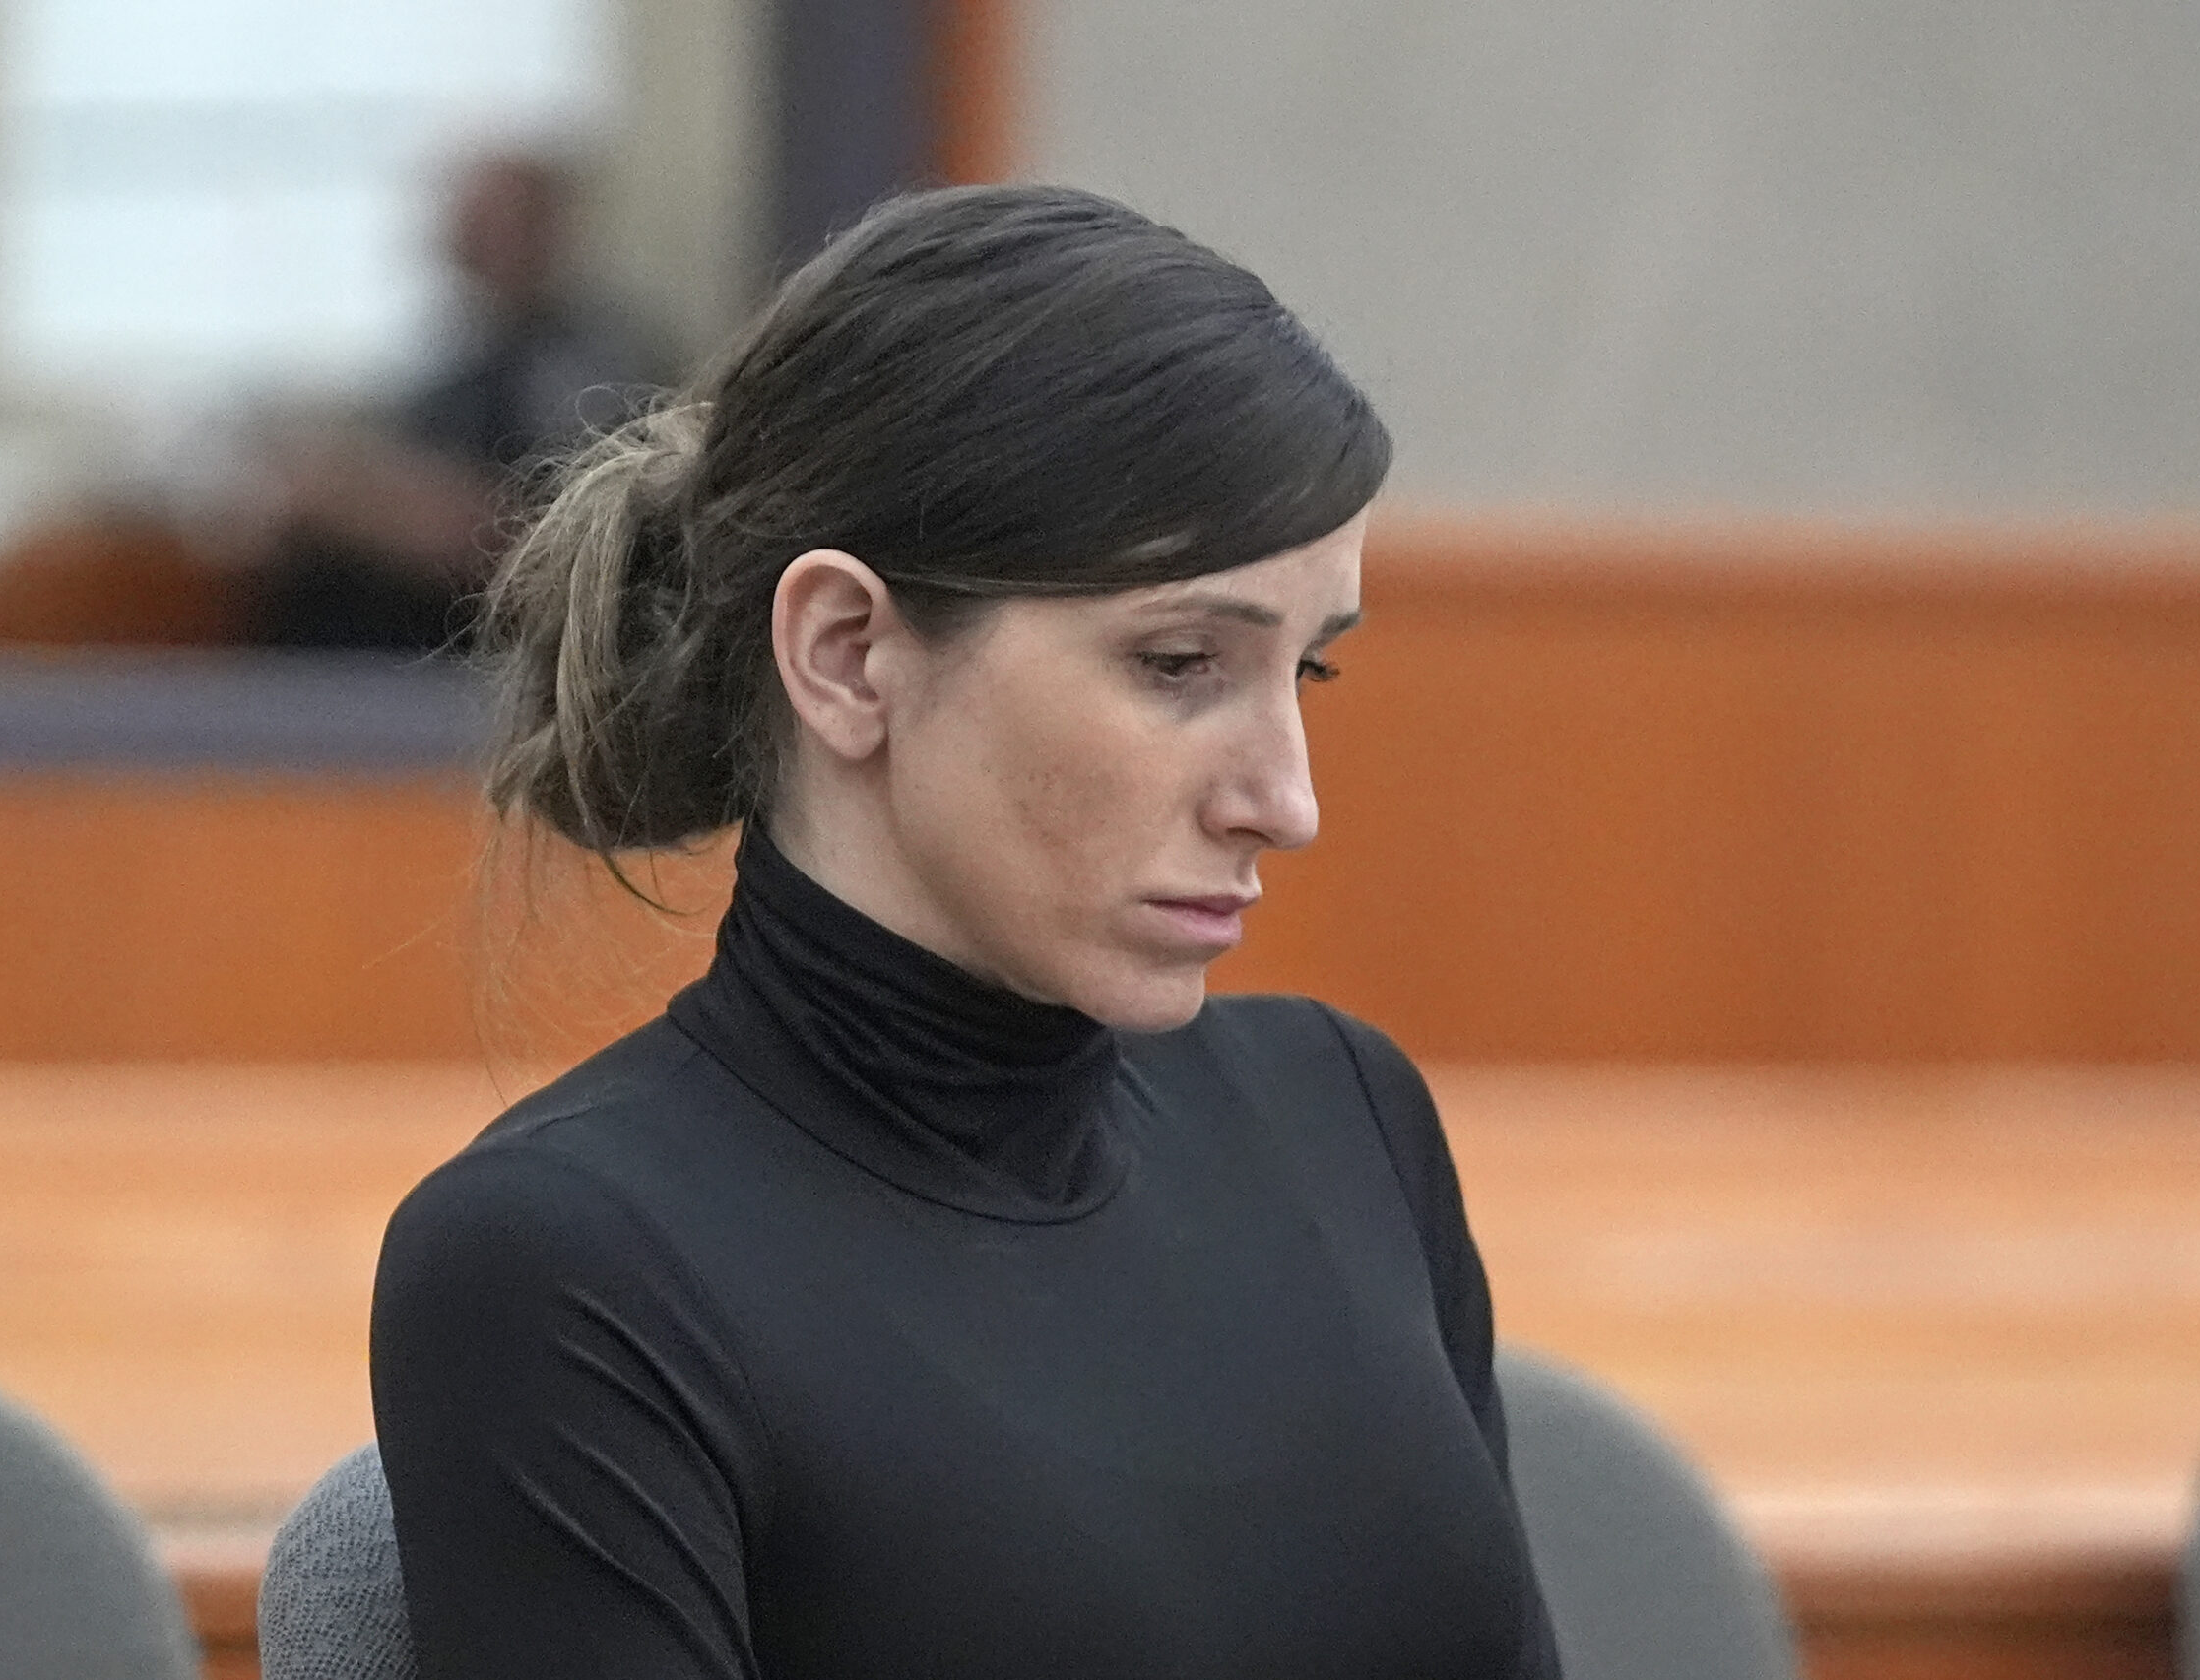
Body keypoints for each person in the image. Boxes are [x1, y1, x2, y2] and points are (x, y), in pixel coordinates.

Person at [370, 183, 1563, 1679]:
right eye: (1183, 662)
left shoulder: (1344, 1116)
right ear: (847, 654)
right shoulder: (563, 1261)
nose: (1287, 799)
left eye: (1306, 674)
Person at [239, 151, 672, 651]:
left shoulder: (590, 365)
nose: (470, 239)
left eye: (498, 220)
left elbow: (545, 542)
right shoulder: (459, 366)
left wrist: (357, 503)